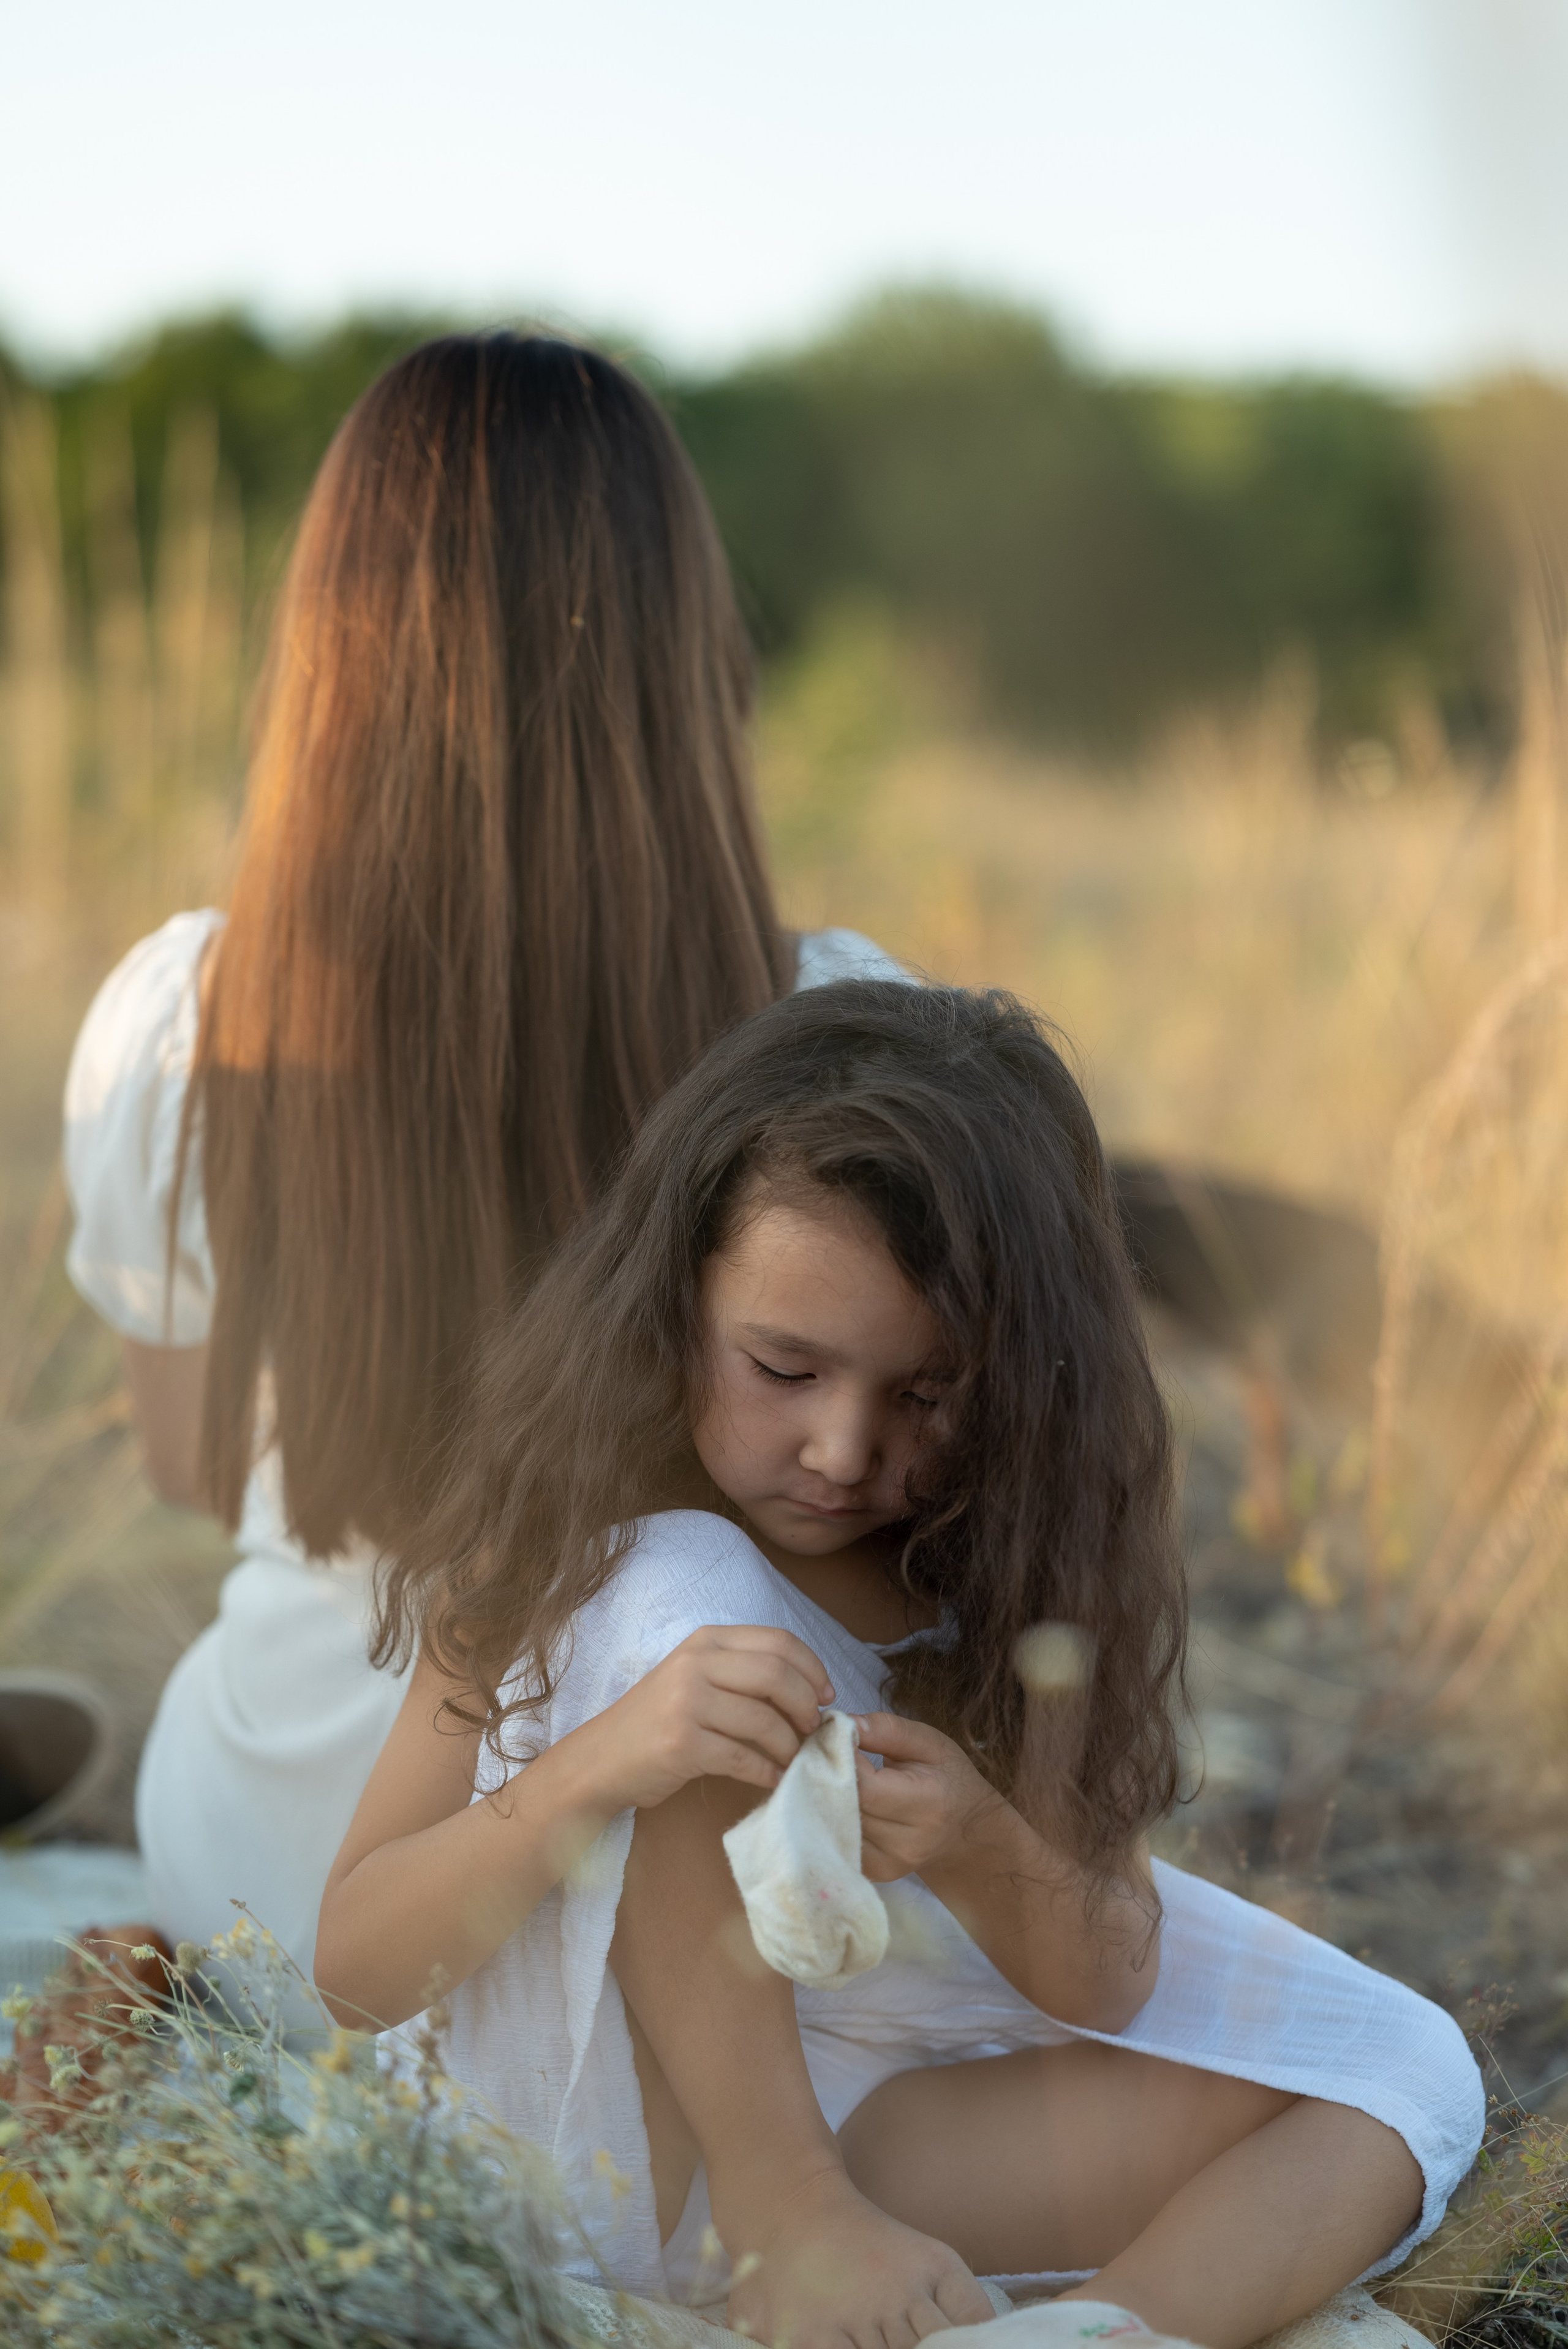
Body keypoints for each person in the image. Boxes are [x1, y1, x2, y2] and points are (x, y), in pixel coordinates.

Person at [317, 979, 1483, 2349]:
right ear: (675, 1297)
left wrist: (985, 1844)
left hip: (874, 2129)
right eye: (783, 1368)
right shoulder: (568, 1551)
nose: (841, 1450)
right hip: (584, 2137)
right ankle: (788, 2217)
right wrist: (599, 1761)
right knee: (686, 1601)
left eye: (924, 1394)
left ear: (1024, 1378)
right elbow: (350, 1967)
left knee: (1405, 2070)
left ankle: (1094, 2335)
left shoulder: (1009, 1572)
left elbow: (1107, 1975)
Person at [61, 331, 902, 1972]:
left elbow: (188, 1464)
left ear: (329, 646)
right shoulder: (845, 1034)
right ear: (686, 648)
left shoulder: (186, 1019)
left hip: (276, 1877)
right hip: (693, 1890)